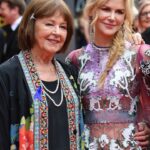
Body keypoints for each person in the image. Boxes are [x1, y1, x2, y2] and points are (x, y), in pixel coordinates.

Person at [66, 0, 150, 149]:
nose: (112, 17)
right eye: (106, 9)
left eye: (119, 12)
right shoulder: (75, 60)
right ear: (92, 11)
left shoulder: (139, 53)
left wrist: (148, 126)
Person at [0, 0, 82, 149]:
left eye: (63, 27)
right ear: (31, 26)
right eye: (49, 24)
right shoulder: (7, 75)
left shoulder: (70, 72)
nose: (56, 32)